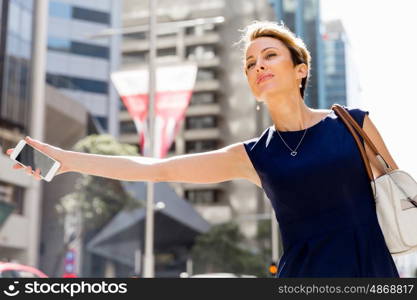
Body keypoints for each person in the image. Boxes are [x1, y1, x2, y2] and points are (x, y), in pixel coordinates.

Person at [7, 20, 400, 277]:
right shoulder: (253, 155)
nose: (258, 65)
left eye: (269, 55)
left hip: (371, 272)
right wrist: (67, 160)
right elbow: (157, 168)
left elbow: (401, 199)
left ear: (301, 70)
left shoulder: (351, 124)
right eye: (250, 63)